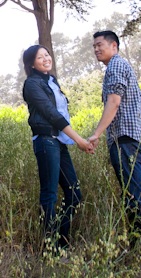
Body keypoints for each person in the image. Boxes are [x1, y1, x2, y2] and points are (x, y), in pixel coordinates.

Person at [88, 30, 141, 235]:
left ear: (114, 46)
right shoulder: (119, 65)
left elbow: (114, 102)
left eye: (100, 45)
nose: (96, 49)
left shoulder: (116, 65)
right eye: (94, 47)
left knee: (133, 193)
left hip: (126, 139)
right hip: (137, 138)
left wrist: (97, 133)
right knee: (140, 188)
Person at [22, 44, 94, 251]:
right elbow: (52, 114)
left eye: (47, 55)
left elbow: (61, 112)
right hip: (46, 142)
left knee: (74, 194)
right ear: (32, 64)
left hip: (59, 142)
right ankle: (49, 249)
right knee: (49, 195)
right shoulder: (32, 84)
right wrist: (79, 140)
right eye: (39, 57)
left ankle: (61, 242)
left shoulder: (52, 81)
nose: (46, 59)